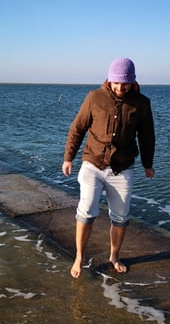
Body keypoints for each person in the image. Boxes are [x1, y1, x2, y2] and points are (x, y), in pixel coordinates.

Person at [62, 57, 155, 278]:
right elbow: (78, 128)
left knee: (121, 216)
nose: (120, 87)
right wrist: (68, 158)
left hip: (123, 168)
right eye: (116, 82)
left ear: (132, 81)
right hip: (93, 163)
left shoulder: (142, 103)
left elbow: (147, 136)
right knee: (86, 210)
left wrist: (148, 164)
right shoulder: (94, 98)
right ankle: (79, 257)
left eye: (125, 83)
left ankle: (114, 256)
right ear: (109, 79)